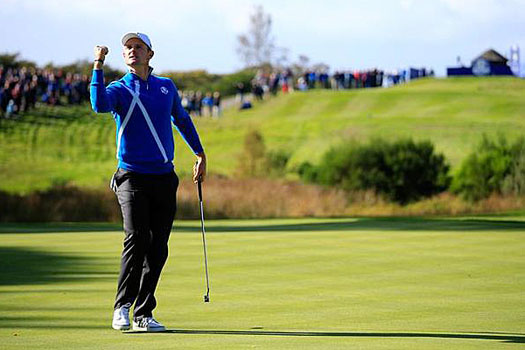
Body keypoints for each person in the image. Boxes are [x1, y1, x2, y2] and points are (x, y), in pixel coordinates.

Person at [90, 32, 206, 332]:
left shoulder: (165, 87)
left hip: (164, 177)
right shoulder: (118, 89)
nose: (132, 51)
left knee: (158, 247)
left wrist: (199, 153)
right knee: (137, 238)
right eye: (127, 48)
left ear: (149, 54)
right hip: (131, 176)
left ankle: (143, 313)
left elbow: (181, 119)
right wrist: (98, 65)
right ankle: (122, 306)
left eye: (137, 47)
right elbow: (99, 105)